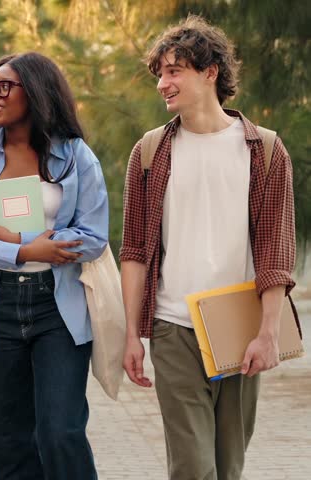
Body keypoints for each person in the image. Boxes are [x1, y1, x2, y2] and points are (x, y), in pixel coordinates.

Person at [121, 15, 296, 480]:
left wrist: (270, 331)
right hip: (173, 325)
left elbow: (276, 250)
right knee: (192, 467)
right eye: (159, 73)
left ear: (210, 72)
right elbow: (135, 251)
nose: (163, 83)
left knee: (228, 465)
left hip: (240, 324)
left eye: (174, 70)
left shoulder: (265, 150)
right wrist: (130, 335)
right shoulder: (150, 151)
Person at [0, 52, 108, 480]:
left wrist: (20, 240)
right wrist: (24, 253)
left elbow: (92, 236)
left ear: (35, 92)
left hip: (58, 307)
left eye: (4, 86)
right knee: (6, 441)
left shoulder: (75, 157)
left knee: (61, 432)